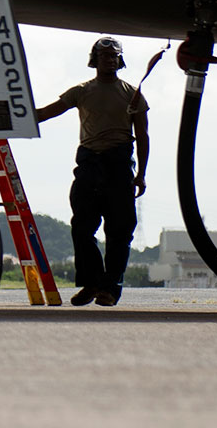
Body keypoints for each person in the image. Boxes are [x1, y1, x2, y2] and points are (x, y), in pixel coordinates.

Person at [36, 36, 149, 307]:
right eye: (104, 56)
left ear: (120, 60)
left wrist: (141, 174)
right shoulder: (82, 91)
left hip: (119, 164)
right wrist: (10, 114)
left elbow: (143, 136)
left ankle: (110, 288)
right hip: (89, 164)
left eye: (114, 57)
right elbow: (45, 113)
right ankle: (92, 282)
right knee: (82, 227)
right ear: (95, 59)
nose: (110, 60)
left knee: (119, 231)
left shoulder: (132, 94)